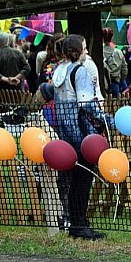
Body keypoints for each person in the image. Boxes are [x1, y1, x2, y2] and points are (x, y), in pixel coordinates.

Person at [52, 35, 109, 240]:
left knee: (73, 179)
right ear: (78, 50)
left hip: (65, 131)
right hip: (81, 131)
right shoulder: (81, 71)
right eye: (84, 48)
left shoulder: (59, 70)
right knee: (83, 179)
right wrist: (106, 118)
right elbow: (86, 103)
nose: (86, 51)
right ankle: (79, 224)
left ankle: (76, 221)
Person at [102, 29, 128, 96]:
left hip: (104, 85)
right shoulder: (118, 52)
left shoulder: (100, 53)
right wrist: (121, 80)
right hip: (117, 82)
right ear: (112, 37)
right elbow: (124, 69)